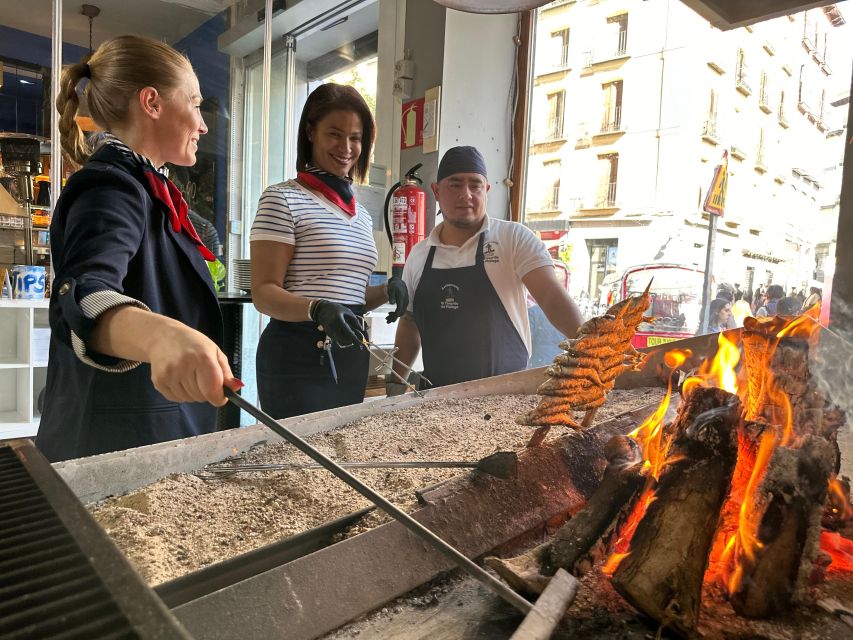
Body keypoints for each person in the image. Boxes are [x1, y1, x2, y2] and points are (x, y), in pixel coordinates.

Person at [36, 36, 238, 462]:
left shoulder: (150, 187)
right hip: (113, 443)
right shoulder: (111, 186)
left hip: (149, 430)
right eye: (196, 104)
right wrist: (160, 336)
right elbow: (83, 293)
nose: (203, 125)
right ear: (152, 102)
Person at [250, 83, 407, 418]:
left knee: (336, 461)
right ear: (310, 132)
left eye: (355, 137)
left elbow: (347, 298)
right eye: (334, 134)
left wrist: (386, 292)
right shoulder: (282, 199)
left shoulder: (361, 214)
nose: (346, 147)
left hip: (350, 355)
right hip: (296, 356)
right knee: (296, 463)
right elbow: (263, 293)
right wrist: (317, 308)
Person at [388, 146, 583, 392]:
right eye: (455, 184)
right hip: (437, 399)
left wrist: (592, 347)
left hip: (507, 396)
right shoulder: (419, 255)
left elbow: (551, 296)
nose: (466, 194)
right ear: (436, 191)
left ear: (487, 190)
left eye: (475, 185)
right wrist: (395, 384)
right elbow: (409, 324)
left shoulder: (513, 238)